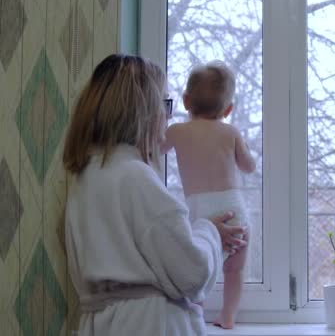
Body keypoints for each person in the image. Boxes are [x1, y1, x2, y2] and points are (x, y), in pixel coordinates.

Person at [62, 54, 247, 336]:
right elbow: (192, 274)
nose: (168, 115)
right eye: (165, 103)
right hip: (150, 325)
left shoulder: (86, 178)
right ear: (143, 110)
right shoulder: (136, 178)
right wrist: (209, 232)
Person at [162, 61, 255, 329]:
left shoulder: (177, 131)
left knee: (198, 269)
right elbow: (248, 166)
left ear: (186, 100)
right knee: (234, 269)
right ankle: (228, 316)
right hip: (232, 207)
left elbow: (152, 150)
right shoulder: (230, 132)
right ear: (228, 109)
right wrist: (243, 150)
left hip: (201, 211)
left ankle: (196, 317)